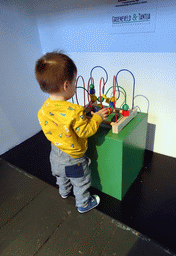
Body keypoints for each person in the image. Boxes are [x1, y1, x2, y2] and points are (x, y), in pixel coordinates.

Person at [35, 51, 108, 213]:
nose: (75, 86)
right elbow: (85, 131)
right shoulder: (74, 111)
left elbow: (63, 120)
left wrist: (84, 111)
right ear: (66, 85)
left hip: (55, 154)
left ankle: (63, 192)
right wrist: (97, 119)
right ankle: (83, 204)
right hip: (73, 159)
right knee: (80, 181)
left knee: (61, 177)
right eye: (74, 82)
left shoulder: (44, 108)